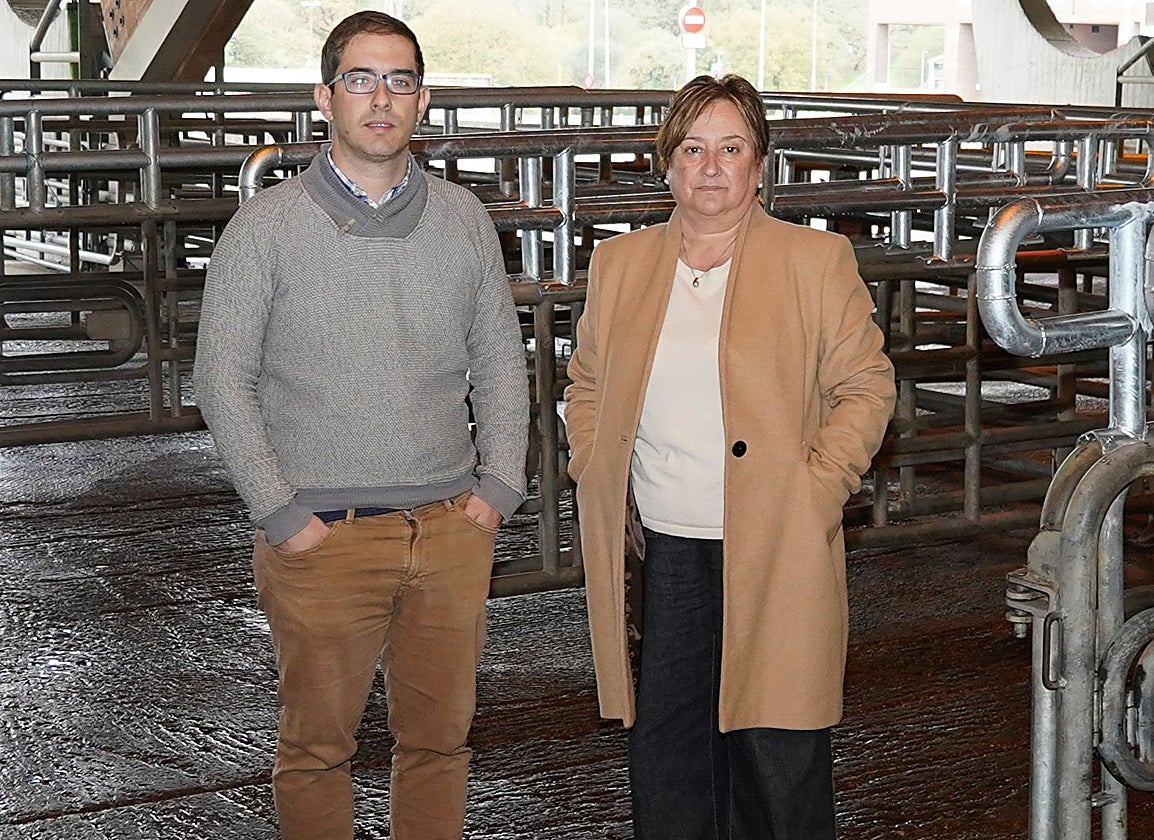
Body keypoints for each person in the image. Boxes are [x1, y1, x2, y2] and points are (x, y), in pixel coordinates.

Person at [193, 12, 529, 840]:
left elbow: (499, 362)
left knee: (441, 745)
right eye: (361, 79)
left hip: (450, 529)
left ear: (423, 101)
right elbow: (220, 379)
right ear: (324, 97)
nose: (382, 99)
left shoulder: (463, 220)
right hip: (322, 537)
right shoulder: (265, 228)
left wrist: (497, 489)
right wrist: (282, 516)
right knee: (315, 750)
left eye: (401, 80)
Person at [563, 74, 895, 839]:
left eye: (731, 148)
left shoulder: (815, 261)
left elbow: (868, 387)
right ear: (668, 164)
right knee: (668, 751)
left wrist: (816, 490)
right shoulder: (621, 265)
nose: (711, 167)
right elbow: (585, 382)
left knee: (777, 753)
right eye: (693, 148)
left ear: (760, 164)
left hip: (774, 543)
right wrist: (594, 463)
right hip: (664, 553)